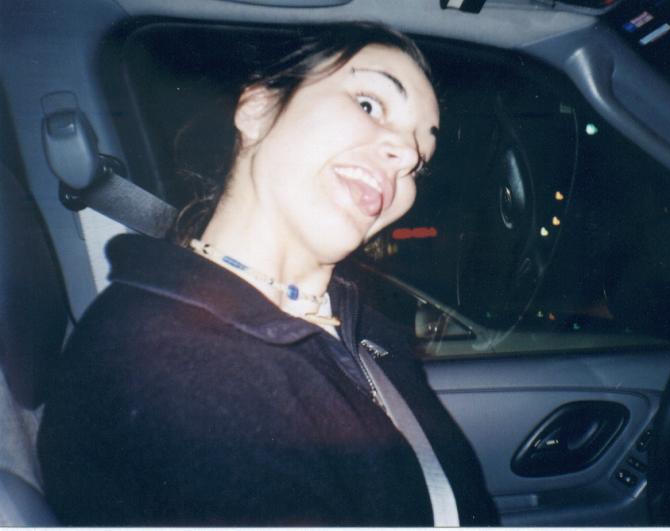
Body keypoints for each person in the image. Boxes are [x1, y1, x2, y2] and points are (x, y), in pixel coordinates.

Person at [37, 22, 497, 526]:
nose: (407, 156)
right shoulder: (171, 366)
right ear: (257, 109)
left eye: (421, 156)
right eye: (369, 105)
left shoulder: (358, 324)